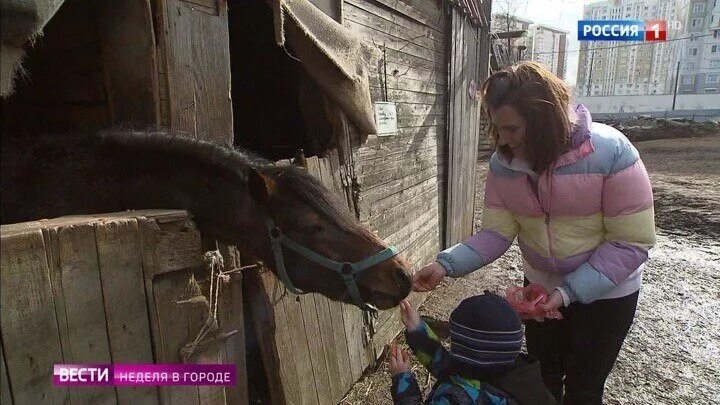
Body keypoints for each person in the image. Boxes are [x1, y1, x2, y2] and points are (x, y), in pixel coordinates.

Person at [412, 62, 656, 404]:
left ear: (544, 119)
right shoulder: (504, 165)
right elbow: (496, 233)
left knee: (585, 389)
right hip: (540, 292)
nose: (505, 141)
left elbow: (631, 243)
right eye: (498, 129)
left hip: (608, 295)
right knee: (542, 380)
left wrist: (567, 292)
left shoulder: (612, 153)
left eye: (513, 128)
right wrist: (445, 265)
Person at [388, 293, 555, 404]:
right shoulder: (519, 378)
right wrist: (417, 329)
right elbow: (449, 367)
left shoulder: (458, 398)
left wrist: (403, 381)